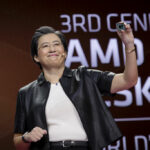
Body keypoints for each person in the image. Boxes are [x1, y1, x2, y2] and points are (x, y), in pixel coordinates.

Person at [13, 22, 138, 150]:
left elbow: (128, 80)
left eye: (57, 44)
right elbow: (18, 143)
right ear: (36, 57)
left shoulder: (85, 77)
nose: (52, 49)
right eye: (45, 46)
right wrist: (26, 137)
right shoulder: (26, 93)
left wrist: (129, 45)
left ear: (65, 53)